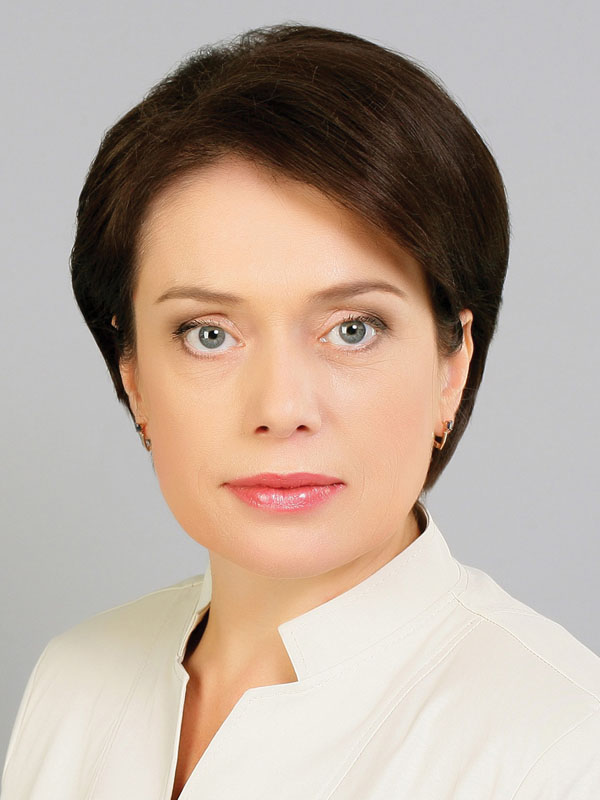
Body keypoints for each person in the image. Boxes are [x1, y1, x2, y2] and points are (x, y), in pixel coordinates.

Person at [2, 21, 599, 800]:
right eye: (209, 334)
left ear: (452, 364)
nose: (281, 409)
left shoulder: (561, 746)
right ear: (134, 372)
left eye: (353, 329)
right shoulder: (75, 683)